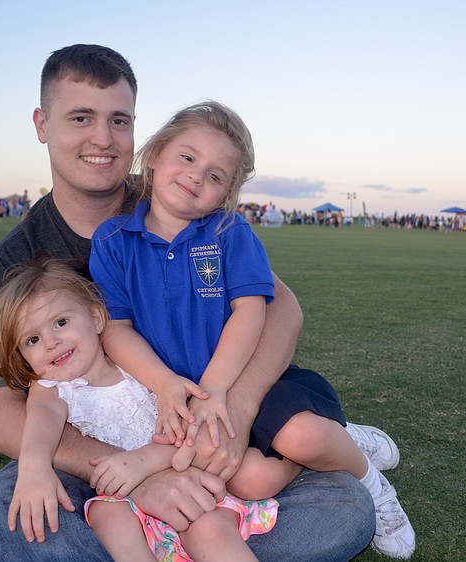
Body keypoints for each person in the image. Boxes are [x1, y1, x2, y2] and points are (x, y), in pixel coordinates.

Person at [0, 44, 394, 561]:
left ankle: (199, 533)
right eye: (81, 117)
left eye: (118, 120)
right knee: (3, 514)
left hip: (201, 424)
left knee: (344, 508)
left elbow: (280, 308)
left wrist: (235, 409)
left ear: (138, 134)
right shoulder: (14, 260)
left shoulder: (180, 203)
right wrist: (137, 474)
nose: (102, 138)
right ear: (42, 123)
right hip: (96, 452)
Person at [90, 101, 413, 557]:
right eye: (187, 157)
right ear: (156, 154)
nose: (197, 176)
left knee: (301, 436)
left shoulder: (229, 232)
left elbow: (252, 312)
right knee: (248, 479)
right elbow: (115, 329)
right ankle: (324, 450)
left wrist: (218, 389)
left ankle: (364, 472)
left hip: (248, 382)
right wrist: (165, 386)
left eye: (216, 175)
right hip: (178, 398)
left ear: (226, 194)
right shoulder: (111, 241)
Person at [0, 258, 279, 561]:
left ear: (96, 318)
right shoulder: (53, 389)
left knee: (211, 525)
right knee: (106, 515)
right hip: (127, 497)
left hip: (186, 471)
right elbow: (40, 425)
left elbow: (188, 431)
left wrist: (151, 460)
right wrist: (34, 469)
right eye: (32, 340)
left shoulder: (137, 362)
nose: (51, 342)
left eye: (61, 322)